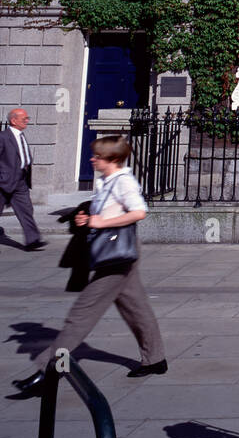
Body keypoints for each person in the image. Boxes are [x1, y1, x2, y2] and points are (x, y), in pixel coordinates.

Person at [13, 134, 167, 393]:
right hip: (117, 252)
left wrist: (99, 222)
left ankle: (47, 371)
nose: (92, 159)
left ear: (113, 159)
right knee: (136, 307)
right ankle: (155, 359)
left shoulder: (123, 182)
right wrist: (87, 216)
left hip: (116, 255)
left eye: (98, 156)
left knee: (80, 316)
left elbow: (139, 211)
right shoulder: (107, 181)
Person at [0, 108, 47, 251]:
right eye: (24, 118)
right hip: (3, 182)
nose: (27, 121)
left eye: (27, 118)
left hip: (20, 181)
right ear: (13, 120)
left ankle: (32, 240)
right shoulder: (3, 137)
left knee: (26, 209)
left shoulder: (20, 135)